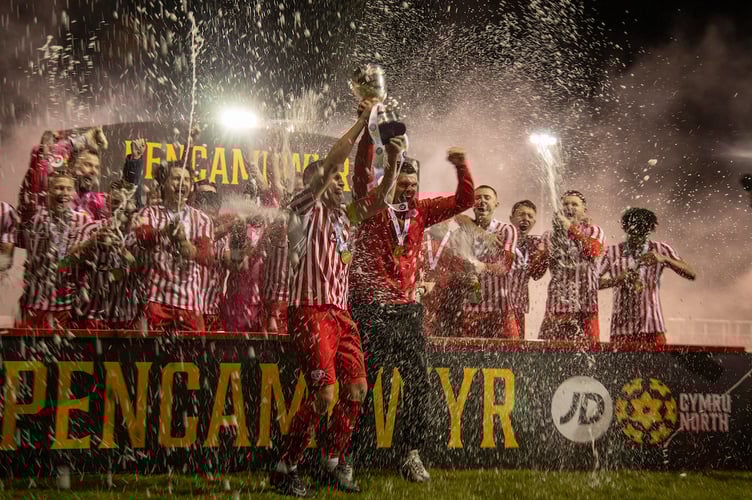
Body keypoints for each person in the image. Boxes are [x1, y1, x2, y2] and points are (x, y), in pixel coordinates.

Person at [270, 101, 404, 497]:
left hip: (341, 314)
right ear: (316, 183)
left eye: (341, 179)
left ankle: (332, 461)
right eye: (333, 179)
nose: (340, 181)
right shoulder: (303, 207)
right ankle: (285, 466)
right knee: (324, 395)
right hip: (310, 310)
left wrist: (394, 162)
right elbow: (329, 165)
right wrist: (363, 121)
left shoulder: (345, 217)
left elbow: (379, 200)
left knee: (357, 390)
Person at [349, 130, 474, 481]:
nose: (409, 191)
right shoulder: (372, 207)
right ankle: (348, 454)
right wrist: (374, 140)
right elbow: (361, 169)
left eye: (413, 185)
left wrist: (461, 165)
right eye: (403, 184)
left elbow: (464, 200)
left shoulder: (423, 212)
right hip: (371, 307)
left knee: (419, 384)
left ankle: (410, 453)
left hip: (406, 310)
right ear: (390, 183)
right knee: (364, 384)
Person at [132, 162, 214, 332]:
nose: (181, 184)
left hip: (190, 305)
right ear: (164, 183)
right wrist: (165, 231)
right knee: (149, 356)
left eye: (186, 180)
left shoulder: (202, 220)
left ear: (191, 187)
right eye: (176, 178)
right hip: (156, 301)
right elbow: (142, 239)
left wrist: (186, 245)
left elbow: (206, 257)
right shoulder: (149, 213)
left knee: (196, 356)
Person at [598, 207, 696, 348]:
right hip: (622, 329)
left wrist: (665, 259)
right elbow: (592, 283)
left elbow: (691, 273)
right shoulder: (612, 252)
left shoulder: (661, 249)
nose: (637, 235)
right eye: (633, 230)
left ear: (651, 230)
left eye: (642, 231)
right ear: (625, 228)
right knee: (622, 369)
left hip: (653, 327)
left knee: (658, 370)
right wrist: (618, 280)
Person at [16, 168, 90, 329]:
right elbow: (25, 196)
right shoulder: (34, 217)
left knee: (62, 353)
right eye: (58, 187)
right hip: (35, 301)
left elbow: (85, 257)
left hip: (66, 304)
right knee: (28, 351)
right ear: (48, 190)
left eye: (68, 189)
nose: (63, 193)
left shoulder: (82, 220)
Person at [67, 179, 144, 329]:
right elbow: (67, 264)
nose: (121, 209)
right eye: (116, 202)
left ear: (134, 205)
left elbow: (143, 274)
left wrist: (123, 252)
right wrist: (92, 243)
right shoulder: (91, 229)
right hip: (89, 315)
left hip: (124, 318)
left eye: (126, 203)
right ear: (107, 202)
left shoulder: (138, 236)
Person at [539, 190, 605, 344]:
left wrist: (570, 228)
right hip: (555, 308)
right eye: (565, 204)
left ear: (584, 211)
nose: (569, 207)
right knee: (546, 355)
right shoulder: (549, 235)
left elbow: (593, 251)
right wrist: (547, 247)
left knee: (589, 354)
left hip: (585, 308)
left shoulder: (593, 230)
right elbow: (536, 272)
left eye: (574, 204)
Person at [454, 185, 519, 338]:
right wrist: (465, 276)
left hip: (501, 309)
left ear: (496, 204)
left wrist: (482, 266)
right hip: (472, 308)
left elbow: (505, 267)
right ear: (472, 204)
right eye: (477, 198)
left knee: (512, 358)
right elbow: (457, 216)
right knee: (471, 360)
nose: (482, 201)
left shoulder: (506, 230)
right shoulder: (462, 231)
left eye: (487, 198)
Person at [17, 128, 108, 235]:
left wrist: (132, 163)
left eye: (97, 167)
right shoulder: (50, 190)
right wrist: (79, 141)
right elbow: (43, 163)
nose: (94, 171)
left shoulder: (95, 200)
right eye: (88, 165)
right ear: (72, 165)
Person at [507, 200, 548, 336]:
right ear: (511, 218)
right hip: (497, 305)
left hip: (519, 307)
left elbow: (537, 275)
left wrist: (543, 253)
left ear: (534, 223)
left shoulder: (535, 244)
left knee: (515, 351)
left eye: (530, 216)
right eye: (522, 215)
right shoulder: (501, 237)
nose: (526, 219)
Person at [0, 202, 19, 272]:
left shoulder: (5, 208)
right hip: (9, 239)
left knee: (3, 266)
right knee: (4, 265)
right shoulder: (6, 207)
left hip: (7, 239)